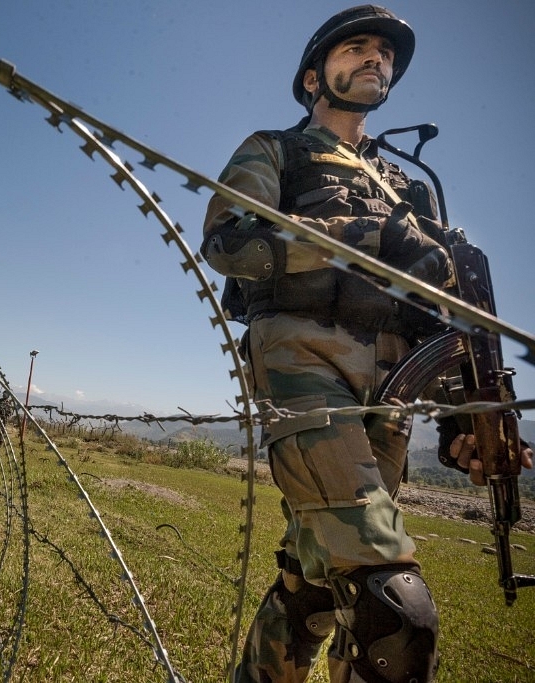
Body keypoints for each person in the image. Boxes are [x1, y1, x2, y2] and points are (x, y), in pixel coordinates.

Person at [201, 6, 531, 683]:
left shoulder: (411, 188)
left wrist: (461, 419)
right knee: (392, 605)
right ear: (313, 78)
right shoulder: (277, 150)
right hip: (303, 362)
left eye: (384, 52)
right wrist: (368, 241)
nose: (376, 58)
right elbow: (231, 241)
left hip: (392, 389)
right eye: (356, 48)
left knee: (317, 583)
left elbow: (436, 320)